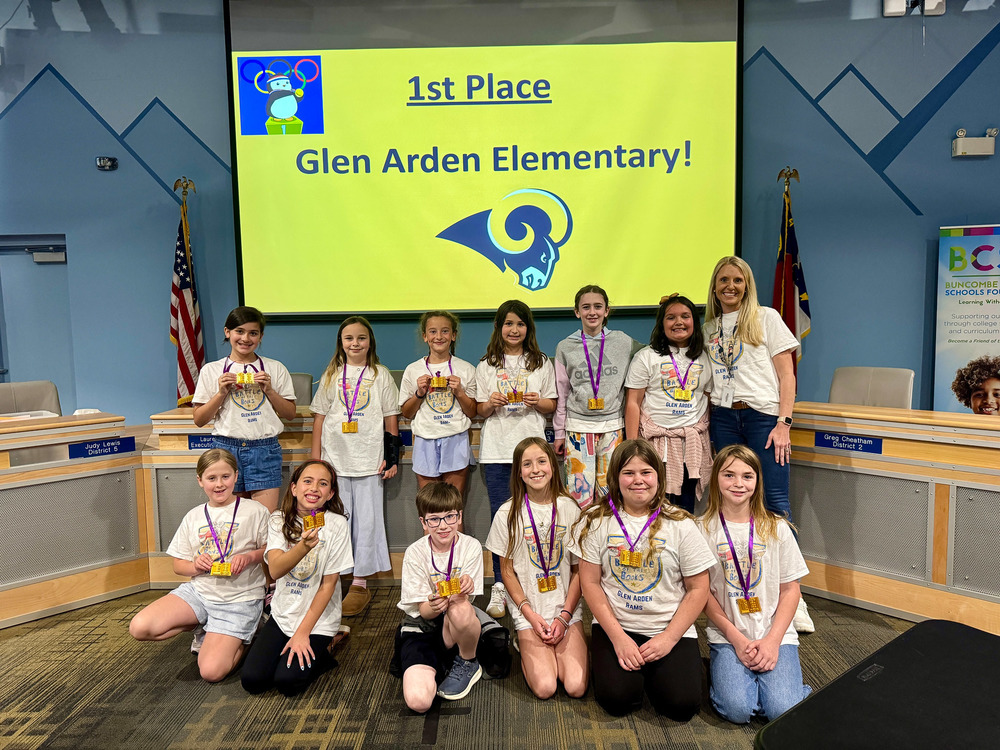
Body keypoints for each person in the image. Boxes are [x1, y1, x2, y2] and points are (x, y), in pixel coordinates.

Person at [702, 256, 814, 633]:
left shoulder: (766, 318)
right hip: (723, 417)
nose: (730, 286)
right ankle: (738, 588)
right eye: (723, 280)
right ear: (714, 287)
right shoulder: (709, 328)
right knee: (729, 499)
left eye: (737, 280)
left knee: (775, 503)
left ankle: (792, 599)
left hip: (763, 418)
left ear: (747, 284)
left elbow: (787, 375)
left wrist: (784, 422)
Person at [569, 439, 716, 719]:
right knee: (617, 700)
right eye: (628, 473)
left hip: (668, 626)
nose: (638, 480)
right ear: (615, 478)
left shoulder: (682, 524)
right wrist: (619, 638)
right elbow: (590, 583)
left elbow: (699, 588)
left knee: (681, 706)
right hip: (617, 624)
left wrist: (669, 638)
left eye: (646, 472)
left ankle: (668, 669)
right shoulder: (595, 521)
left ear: (659, 478)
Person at [129, 449, 269, 682]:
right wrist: (196, 566)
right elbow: (178, 565)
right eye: (211, 478)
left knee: (211, 672)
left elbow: (270, 550)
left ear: (236, 476)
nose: (219, 484)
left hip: (239, 598)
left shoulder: (255, 510)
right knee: (139, 627)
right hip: (200, 593)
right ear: (200, 480)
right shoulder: (193, 516)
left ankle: (249, 633)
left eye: (225, 476)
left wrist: (250, 557)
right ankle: (203, 625)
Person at [697, 444, 811, 723]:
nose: (738, 483)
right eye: (729, 475)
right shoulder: (701, 530)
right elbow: (703, 594)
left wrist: (772, 642)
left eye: (747, 476)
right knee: (736, 710)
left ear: (757, 481)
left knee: (781, 711)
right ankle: (744, 684)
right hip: (728, 634)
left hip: (776, 633)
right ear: (716, 478)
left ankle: (775, 691)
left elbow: (790, 590)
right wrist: (736, 639)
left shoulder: (777, 527)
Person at [311, 316, 401, 616]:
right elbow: (319, 419)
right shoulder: (331, 375)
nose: (355, 343)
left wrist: (392, 457)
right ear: (341, 343)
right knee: (335, 522)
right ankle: (334, 579)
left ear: (370, 342)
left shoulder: (380, 375)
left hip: (369, 461)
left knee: (367, 523)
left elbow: (390, 417)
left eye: (361, 338)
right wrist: (315, 462)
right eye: (349, 338)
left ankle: (360, 583)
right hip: (334, 462)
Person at [484, 437, 588, 699]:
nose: (536, 470)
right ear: (519, 472)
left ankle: (558, 642)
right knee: (545, 687)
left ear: (553, 466)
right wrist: (529, 615)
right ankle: (524, 641)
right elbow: (507, 571)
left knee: (575, 686)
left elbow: (578, 570)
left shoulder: (570, 508)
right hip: (529, 609)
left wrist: (564, 617)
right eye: (527, 464)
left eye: (542, 461)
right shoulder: (507, 513)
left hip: (565, 608)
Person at [241, 460, 353, 696]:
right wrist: (303, 546)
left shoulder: (337, 523)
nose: (314, 488)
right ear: (293, 488)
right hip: (284, 615)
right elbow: (275, 571)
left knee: (287, 682)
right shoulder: (278, 519)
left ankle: (325, 648)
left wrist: (303, 633)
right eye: (307, 481)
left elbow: (328, 585)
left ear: (331, 493)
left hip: (318, 621)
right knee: (253, 680)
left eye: (323, 484)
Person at [475, 300, 557, 618]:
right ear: (499, 327)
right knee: (503, 520)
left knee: (536, 519)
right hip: (497, 452)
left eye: (520, 324)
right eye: (508, 323)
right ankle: (500, 584)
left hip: (532, 453)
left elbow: (551, 405)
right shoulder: (487, 364)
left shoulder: (541, 362)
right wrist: (491, 403)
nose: (514, 329)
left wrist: (538, 402)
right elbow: (480, 410)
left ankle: (531, 581)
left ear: (528, 328)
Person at [192, 306, 297, 513]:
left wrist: (270, 391)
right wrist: (221, 393)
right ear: (227, 332)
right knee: (233, 519)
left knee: (264, 518)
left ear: (261, 336)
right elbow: (199, 419)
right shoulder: (211, 370)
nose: (245, 338)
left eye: (253, 333)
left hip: (264, 450)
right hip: (226, 449)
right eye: (239, 331)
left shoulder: (275, 368)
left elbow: (290, 414)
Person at [398, 482, 485, 712]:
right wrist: (435, 605)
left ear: (459, 516)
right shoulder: (415, 553)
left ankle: (467, 662)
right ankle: (437, 664)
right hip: (422, 627)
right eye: (434, 519)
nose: (443, 525)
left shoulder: (471, 546)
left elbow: (465, 604)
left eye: (449, 517)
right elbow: (424, 612)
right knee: (419, 702)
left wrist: (465, 587)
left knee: (461, 608)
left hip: (454, 624)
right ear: (423, 523)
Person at [554, 285, 641, 509]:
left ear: (606, 311)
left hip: (613, 427)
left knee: (610, 493)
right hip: (578, 427)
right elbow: (562, 393)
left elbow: (651, 354)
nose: (592, 312)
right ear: (577, 312)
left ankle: (607, 532)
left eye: (598, 306)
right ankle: (580, 532)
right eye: (586, 307)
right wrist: (559, 433)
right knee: (579, 495)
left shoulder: (623, 341)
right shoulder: (565, 347)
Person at [625, 294, 713, 514]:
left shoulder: (705, 357)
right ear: (661, 324)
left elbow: (708, 399)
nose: (678, 322)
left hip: (690, 445)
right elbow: (633, 403)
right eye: (671, 317)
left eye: (685, 316)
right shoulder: (646, 357)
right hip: (655, 445)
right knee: (652, 506)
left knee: (685, 509)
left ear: (694, 321)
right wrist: (633, 447)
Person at [399, 311, 478, 499]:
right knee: (429, 504)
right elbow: (407, 413)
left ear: (453, 335)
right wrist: (419, 393)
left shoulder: (466, 369)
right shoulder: (413, 369)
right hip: (425, 438)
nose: (439, 336)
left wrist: (460, 392)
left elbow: (472, 411)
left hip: (455, 437)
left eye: (445, 331)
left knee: (454, 503)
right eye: (433, 332)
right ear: (425, 336)